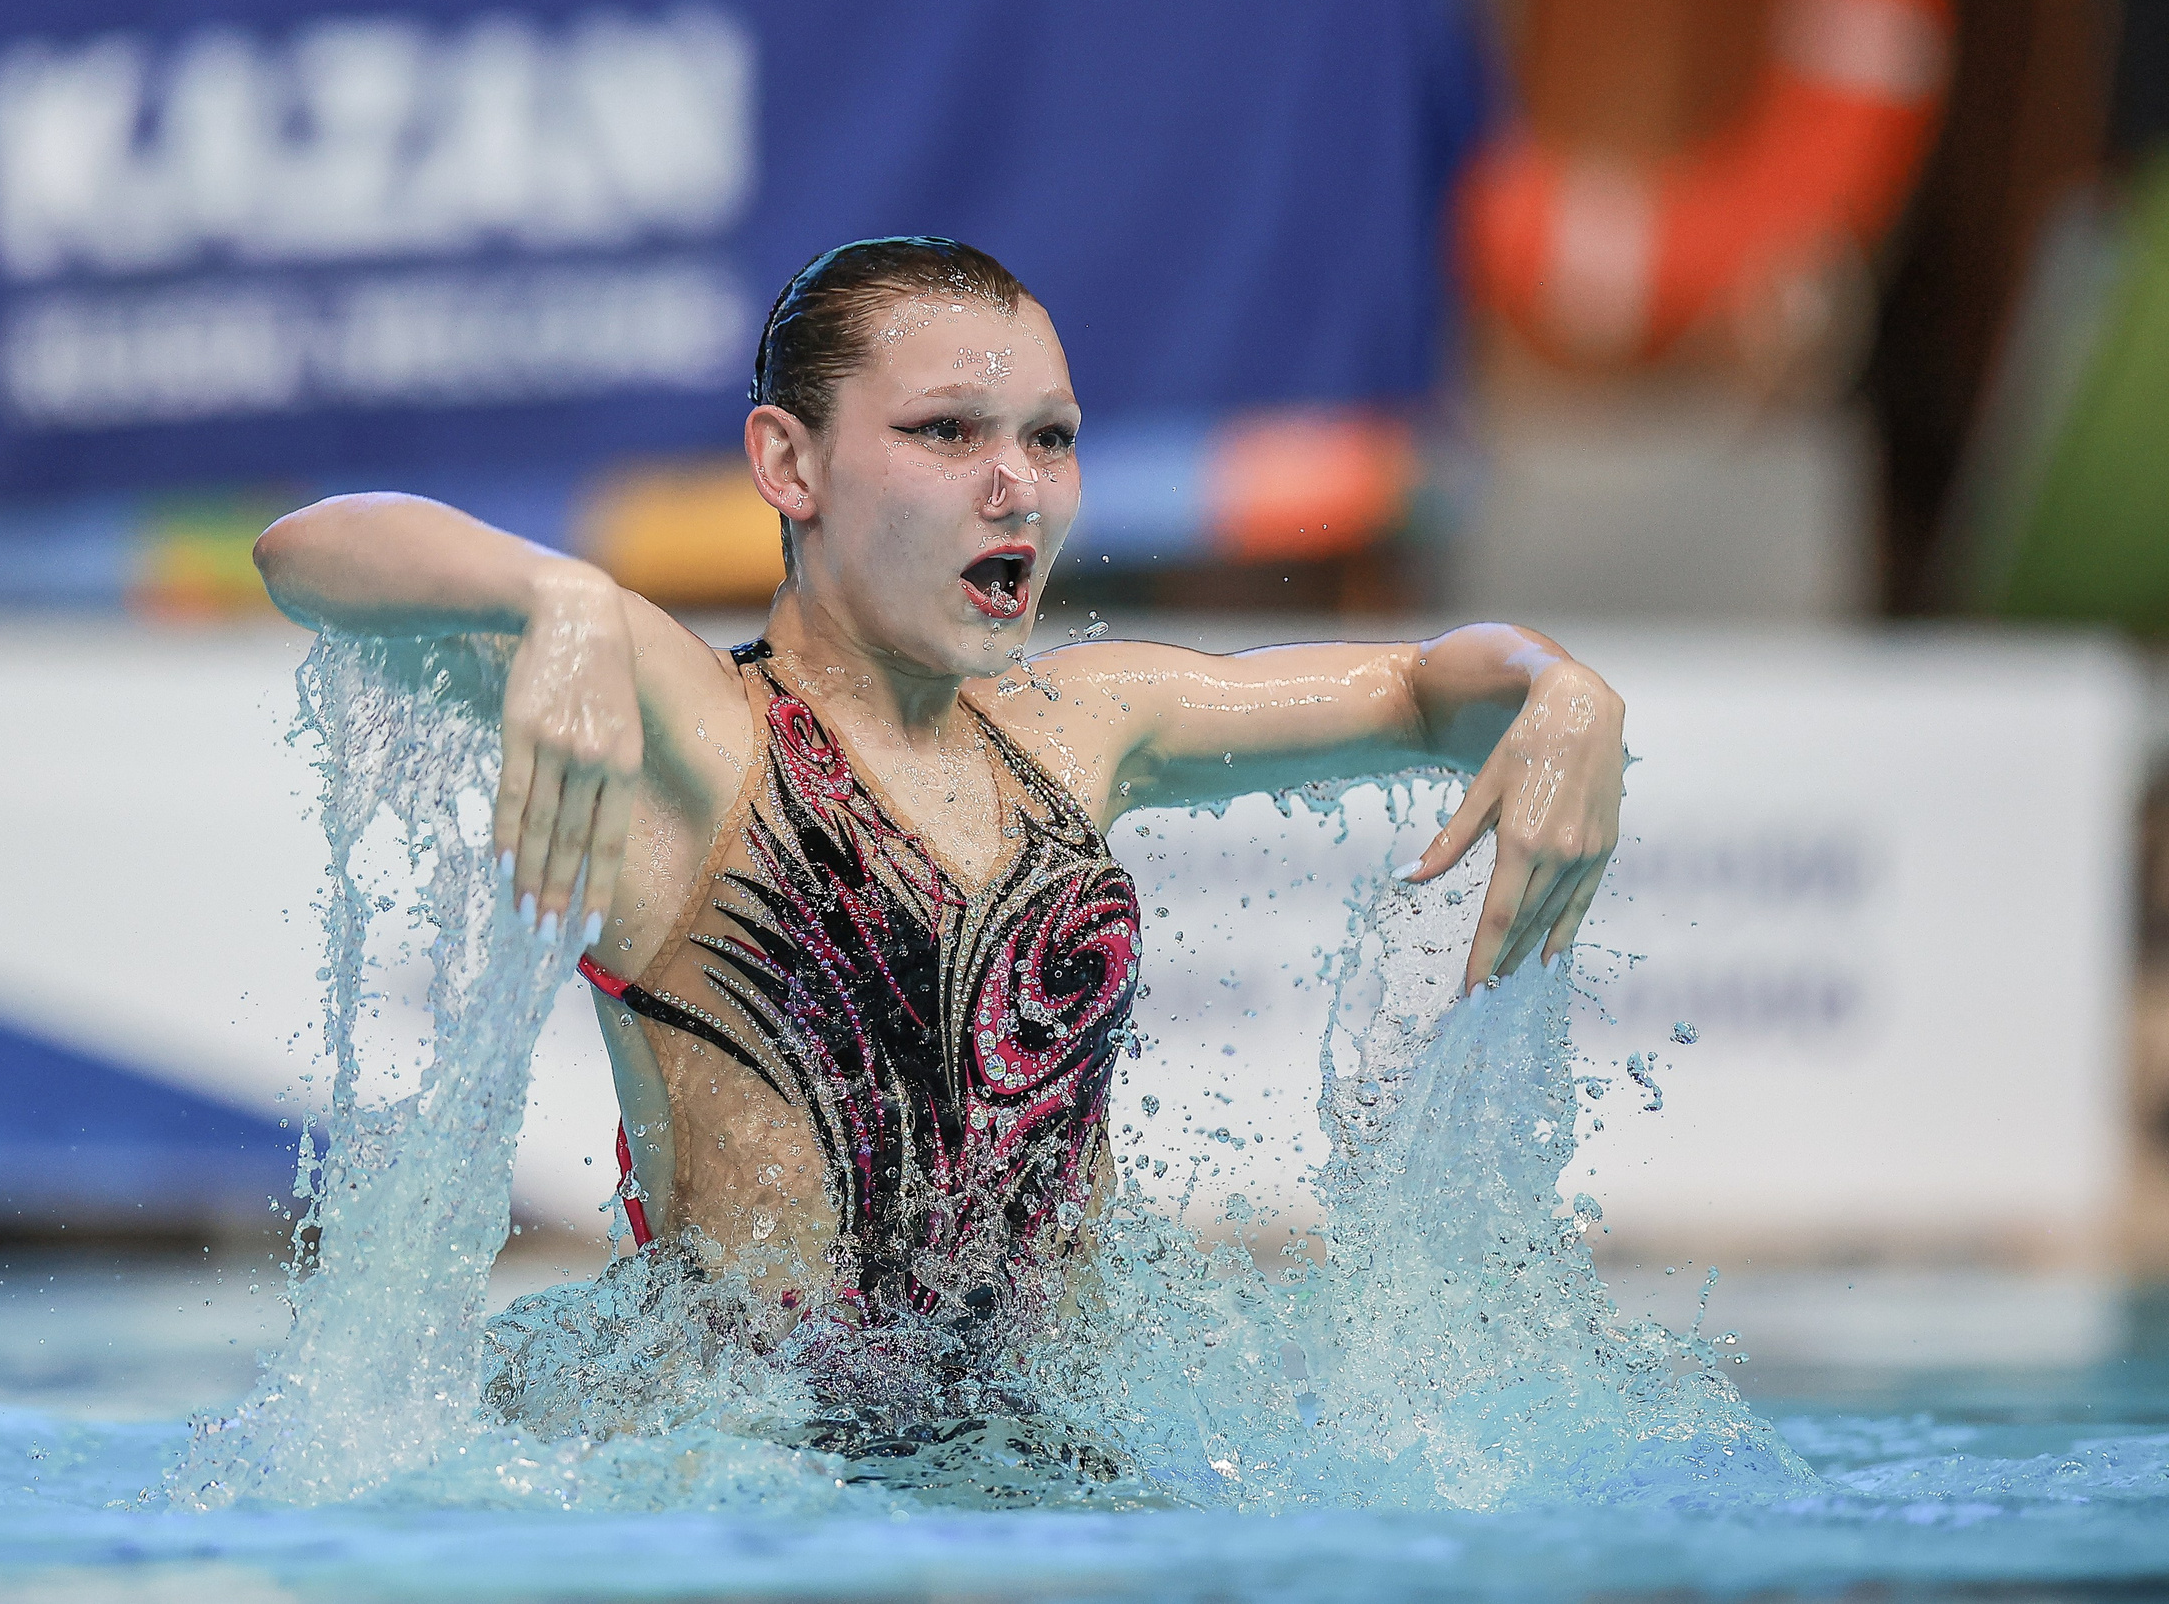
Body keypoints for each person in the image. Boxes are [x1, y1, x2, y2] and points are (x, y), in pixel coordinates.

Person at [252, 237, 1623, 1326]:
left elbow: (1424, 686)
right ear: (790, 463)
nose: (1016, 487)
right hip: (748, 1493)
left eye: (1050, 436)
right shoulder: (701, 733)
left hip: (1048, 1467)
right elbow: (306, 548)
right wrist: (552, 596)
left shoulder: (1085, 724)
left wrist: (1566, 693)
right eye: (948, 433)